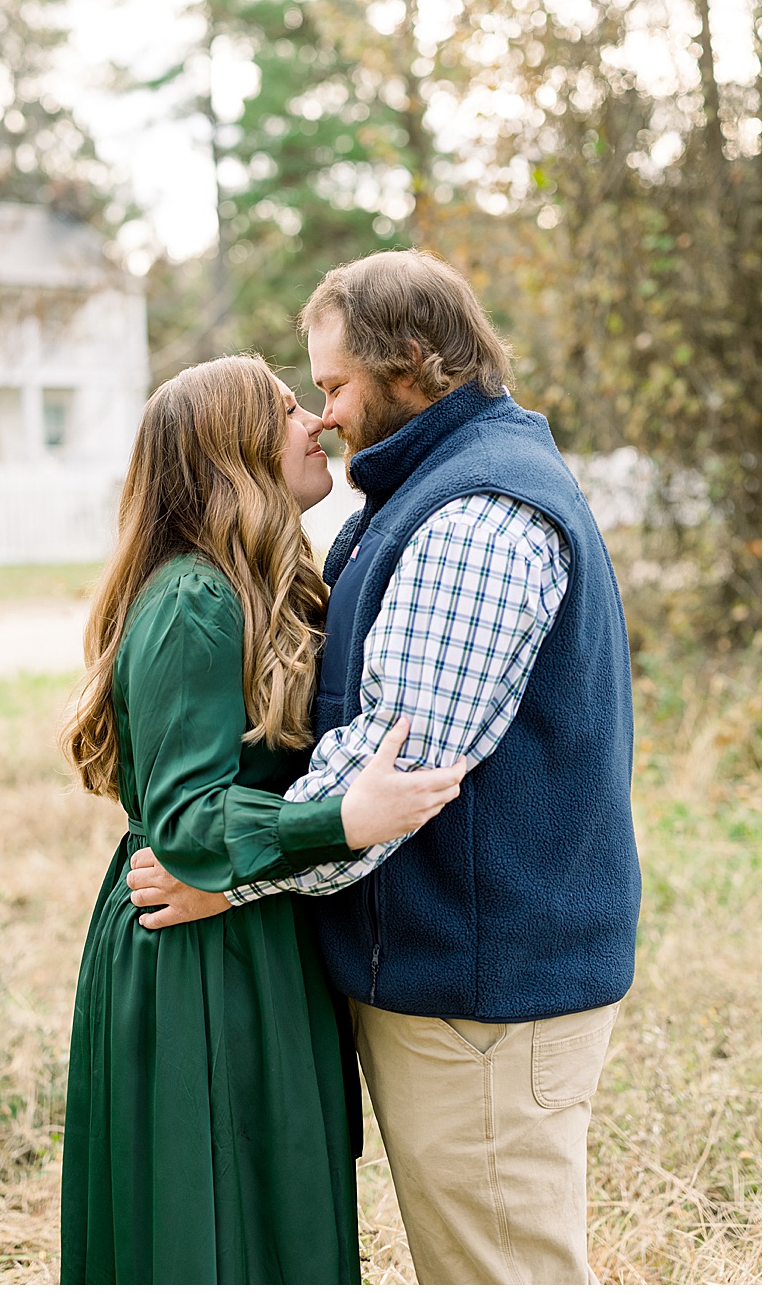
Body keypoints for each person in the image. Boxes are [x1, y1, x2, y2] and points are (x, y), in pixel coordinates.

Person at [130, 251, 640, 1284]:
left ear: (411, 361)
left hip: (484, 994)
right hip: (449, 981)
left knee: (499, 1271)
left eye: (333, 386)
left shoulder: (474, 517)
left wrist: (224, 877)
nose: (326, 416)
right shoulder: (417, 497)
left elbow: (388, 775)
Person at [57, 354, 469, 1284]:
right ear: (234, 449)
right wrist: (342, 818)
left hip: (256, 927)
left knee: (275, 1211)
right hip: (194, 955)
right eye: (290, 409)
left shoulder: (272, 584)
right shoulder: (193, 601)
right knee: (210, 1226)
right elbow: (187, 821)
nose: (316, 423)